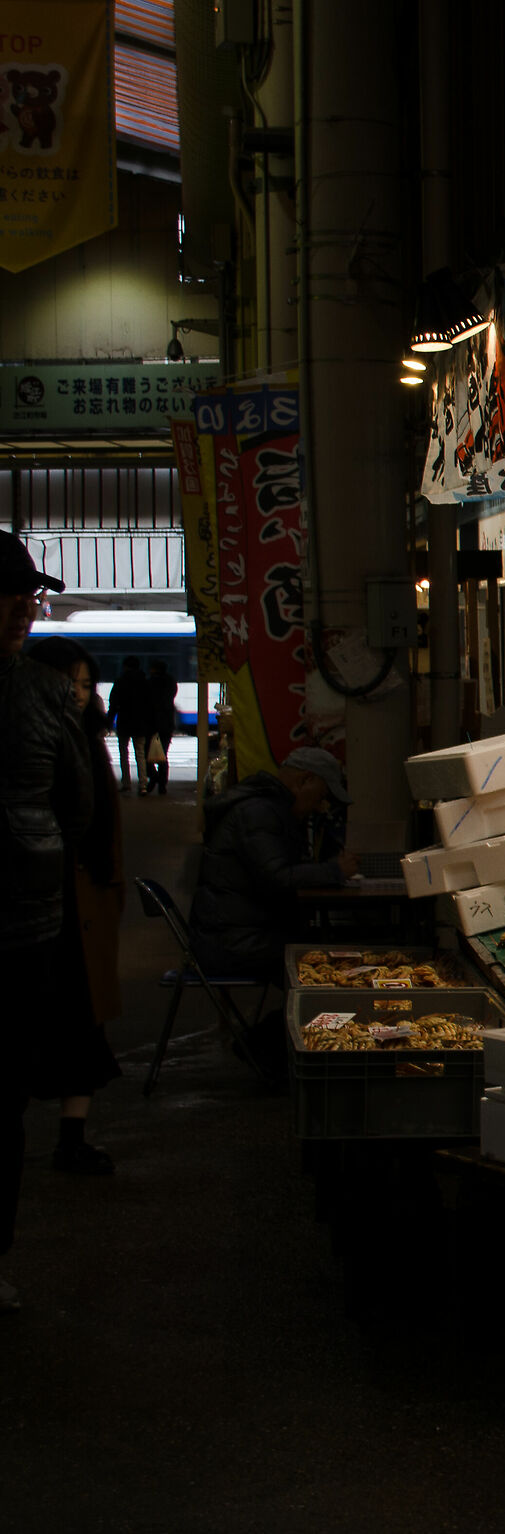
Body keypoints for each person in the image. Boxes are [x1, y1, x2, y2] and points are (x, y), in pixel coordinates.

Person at [0, 532, 95, 1314]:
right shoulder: (40, 692)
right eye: (24, 597)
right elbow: (80, 803)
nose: (30, 610)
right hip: (24, 919)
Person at [27, 637, 125, 1175]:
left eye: (86, 685)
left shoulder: (91, 741)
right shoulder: (28, 743)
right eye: (71, 685)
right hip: (44, 906)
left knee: (84, 1024)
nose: (80, 696)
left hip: (87, 904)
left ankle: (72, 1138)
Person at [187, 747, 357, 990]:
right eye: (322, 796)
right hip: (232, 942)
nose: (321, 805)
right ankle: (290, 1026)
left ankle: (283, 1025)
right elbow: (277, 876)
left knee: (323, 951)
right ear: (304, 780)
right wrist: (334, 871)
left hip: (233, 933)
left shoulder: (267, 808)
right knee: (325, 962)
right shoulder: (259, 812)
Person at [108, 657, 147, 792]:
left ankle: (126, 783)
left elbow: (113, 704)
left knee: (124, 753)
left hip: (124, 722)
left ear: (125, 667)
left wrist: (109, 722)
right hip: (141, 723)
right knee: (140, 753)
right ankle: (143, 785)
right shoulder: (145, 682)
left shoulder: (120, 681)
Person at [142, 657, 177, 794]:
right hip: (167, 724)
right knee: (163, 755)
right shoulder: (171, 682)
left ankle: (154, 777)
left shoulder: (150, 683)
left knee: (147, 754)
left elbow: (147, 703)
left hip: (152, 724)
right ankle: (162, 784)